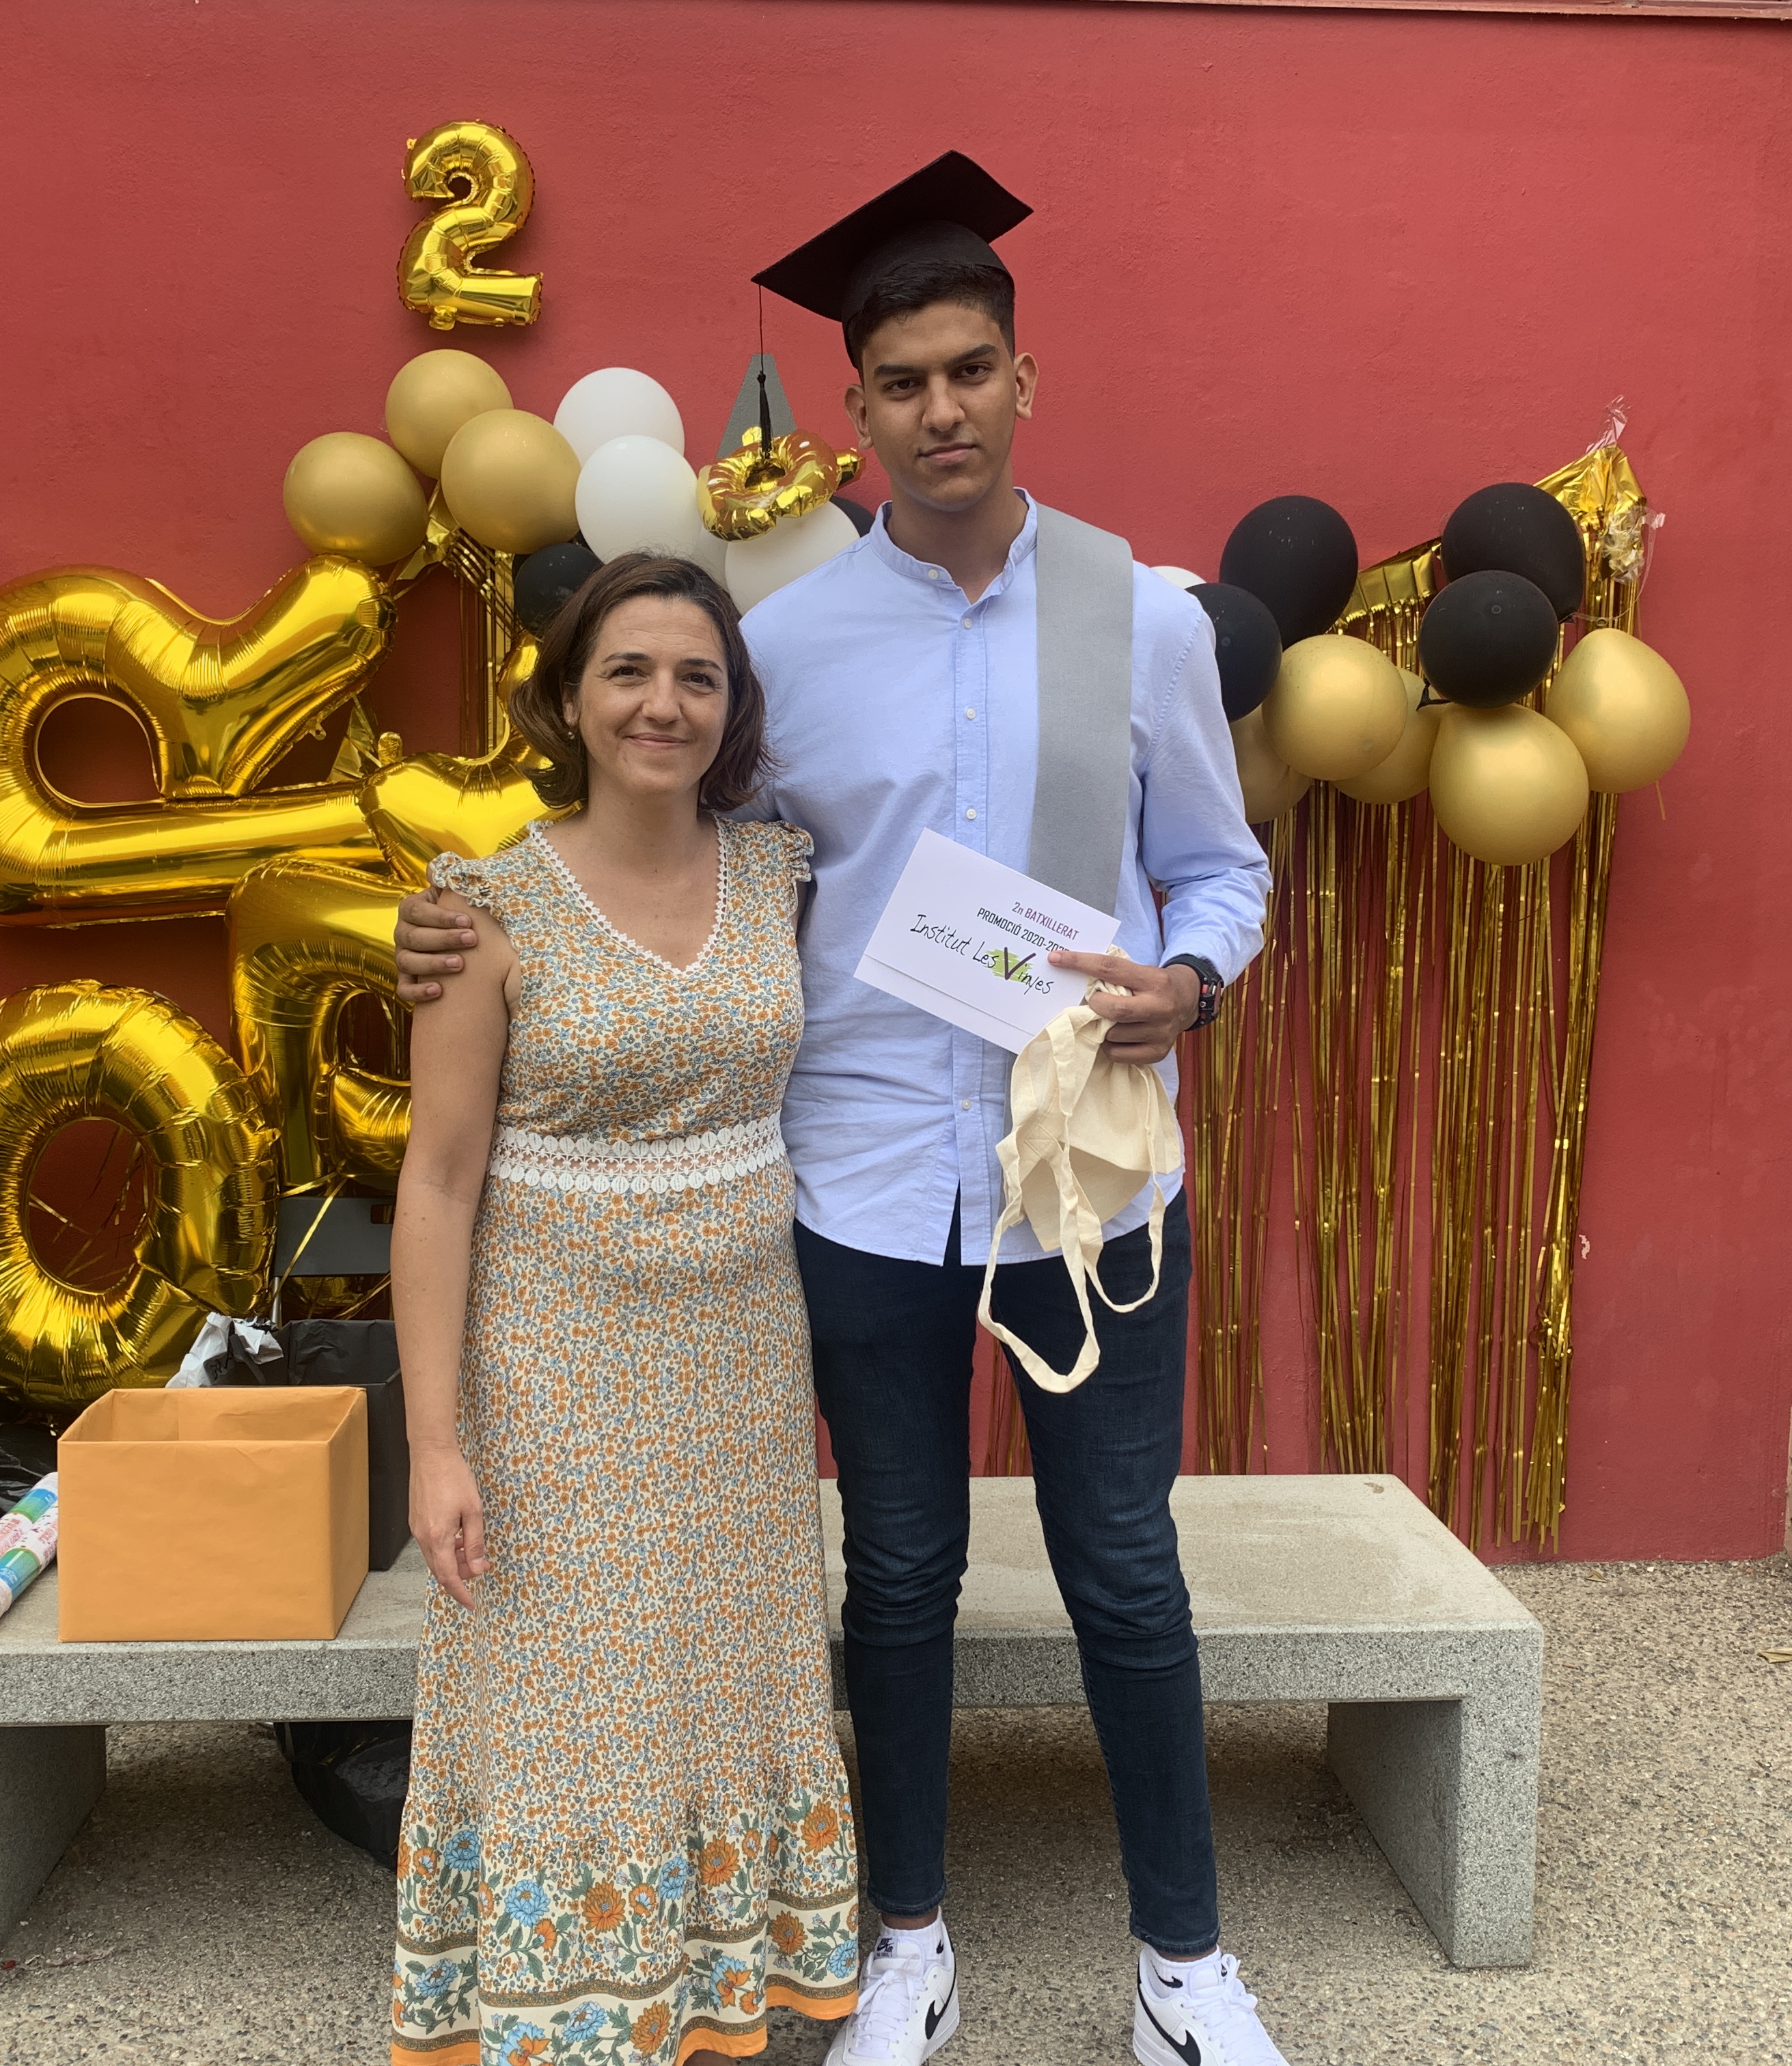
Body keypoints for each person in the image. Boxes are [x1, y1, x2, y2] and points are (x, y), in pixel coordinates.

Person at [398, 154, 1283, 2066]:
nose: (941, 408)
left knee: (1127, 1572)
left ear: (1024, 379)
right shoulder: (782, 648)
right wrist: (460, 923)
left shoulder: (1142, 619)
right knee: (897, 1575)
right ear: (855, 411)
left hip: (1087, 1181)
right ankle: (906, 1947)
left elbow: (1222, 869)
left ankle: (1185, 1969)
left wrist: (1193, 979)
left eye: (971, 370)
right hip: (865, 1183)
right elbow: (660, 852)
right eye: (901, 383)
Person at [386, 551, 861, 2066]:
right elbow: (437, 1183)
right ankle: (568, 2015)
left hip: (739, 1363)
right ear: (571, 700)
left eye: (697, 677)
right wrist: (435, 1446)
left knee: (725, 1674)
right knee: (566, 1691)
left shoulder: (784, 876)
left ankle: (709, 1994)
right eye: (630, 673)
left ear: (733, 708)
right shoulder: (483, 910)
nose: (664, 704)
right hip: (553, 1368)